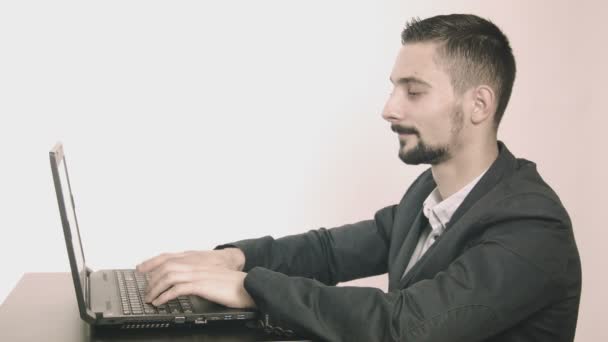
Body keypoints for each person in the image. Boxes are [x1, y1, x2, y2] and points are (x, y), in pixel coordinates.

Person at [136, 14, 582, 341]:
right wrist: (236, 259)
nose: (389, 108)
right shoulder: (431, 196)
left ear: (479, 105)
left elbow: (404, 325)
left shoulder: (532, 229)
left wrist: (251, 287)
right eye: (393, 88)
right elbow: (329, 251)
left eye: (413, 90)